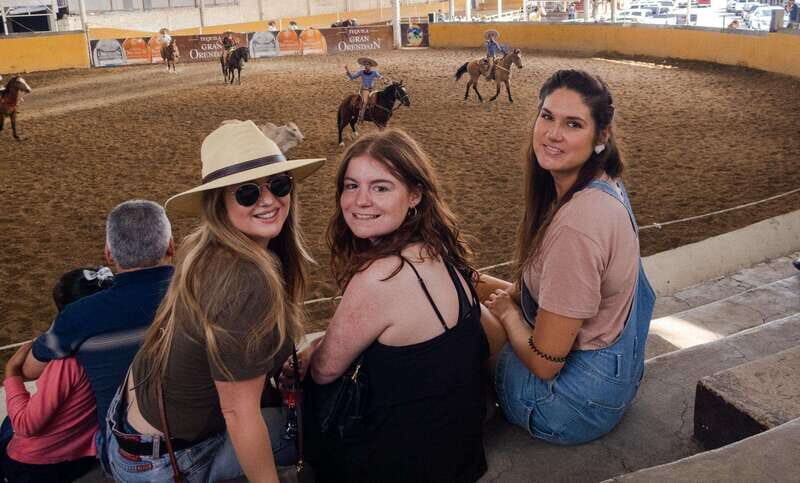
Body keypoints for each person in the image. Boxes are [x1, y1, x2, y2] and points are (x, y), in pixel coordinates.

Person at [105, 120, 325, 482]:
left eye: (280, 184)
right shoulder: (244, 279)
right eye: (247, 193)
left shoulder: (205, 250)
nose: (269, 200)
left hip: (131, 431)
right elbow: (238, 413)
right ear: (219, 203)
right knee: (323, 422)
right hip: (168, 461)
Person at [478, 69, 656, 445]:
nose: (553, 134)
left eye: (572, 124)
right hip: (613, 380)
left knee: (467, 320)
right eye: (547, 117)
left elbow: (545, 363)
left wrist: (507, 314)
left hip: (568, 407)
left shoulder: (576, 226)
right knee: (466, 283)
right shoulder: (606, 186)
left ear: (600, 136)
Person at [302, 128, 488, 483]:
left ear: (415, 194)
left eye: (381, 187)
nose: (360, 201)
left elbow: (324, 370)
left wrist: (313, 351)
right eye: (351, 185)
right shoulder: (438, 251)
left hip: (406, 463)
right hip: (459, 451)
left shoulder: (381, 277)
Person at [21, 200, 175, 464]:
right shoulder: (204, 293)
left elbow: (30, 370)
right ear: (171, 247)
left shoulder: (79, 315)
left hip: (125, 453)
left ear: (109, 254)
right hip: (203, 434)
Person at [2, 267, 115, 483]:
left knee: (10, 426)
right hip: (86, 455)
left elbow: (27, 425)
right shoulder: (125, 344)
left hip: (38, 466)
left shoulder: (68, 363)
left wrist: (12, 374)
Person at [345, 57, 388, 123]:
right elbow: (352, 77)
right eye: (365, 64)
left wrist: (384, 80)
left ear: (370, 66)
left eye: (367, 64)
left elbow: (380, 77)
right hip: (364, 89)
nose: (366, 66)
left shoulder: (374, 72)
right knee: (365, 102)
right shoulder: (361, 72)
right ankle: (361, 117)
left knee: (377, 100)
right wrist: (347, 70)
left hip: (371, 90)